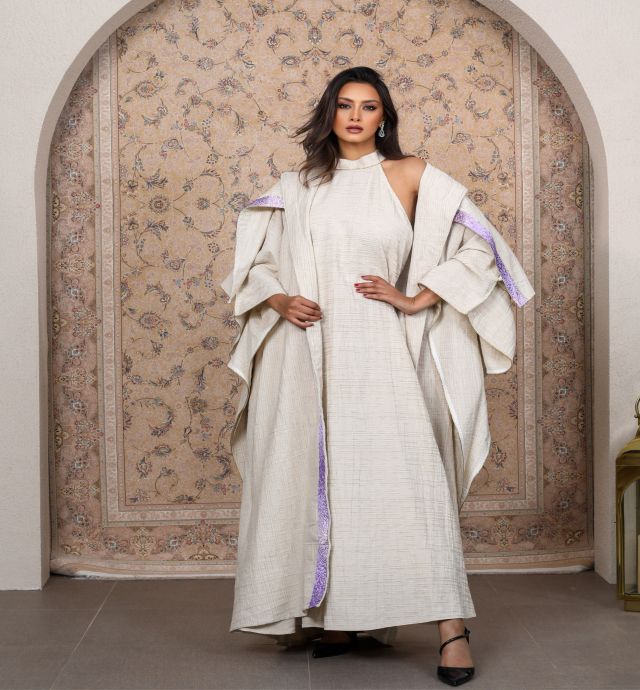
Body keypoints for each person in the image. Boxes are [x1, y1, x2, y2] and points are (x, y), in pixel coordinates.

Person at [220, 66, 533, 687]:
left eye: (369, 107)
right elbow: (255, 263)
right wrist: (280, 300)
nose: (356, 117)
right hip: (307, 354)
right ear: (330, 114)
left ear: (384, 117)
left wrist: (419, 296)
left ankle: (452, 631)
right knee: (328, 481)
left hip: (384, 350)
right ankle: (341, 617)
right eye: (345, 105)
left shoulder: (410, 174)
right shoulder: (298, 186)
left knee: (408, 483)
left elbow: (481, 248)